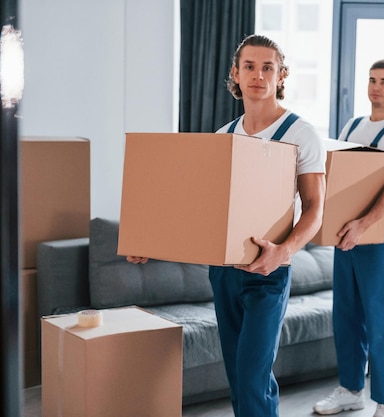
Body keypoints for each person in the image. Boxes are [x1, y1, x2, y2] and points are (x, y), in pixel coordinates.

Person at [128, 34, 326, 417]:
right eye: (249, 66)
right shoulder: (224, 137)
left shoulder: (301, 134)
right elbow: (201, 211)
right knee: (238, 375)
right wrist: (151, 241)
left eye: (268, 67)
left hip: (268, 272)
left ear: (281, 75)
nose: (258, 75)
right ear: (235, 73)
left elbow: (316, 208)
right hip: (223, 273)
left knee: (253, 377)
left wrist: (282, 252)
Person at [312, 60, 384, 417]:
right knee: (345, 312)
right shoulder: (353, 126)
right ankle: (350, 389)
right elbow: (339, 177)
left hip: (380, 231)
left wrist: (365, 224)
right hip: (346, 230)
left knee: (381, 314)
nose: (376, 87)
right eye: (372, 80)